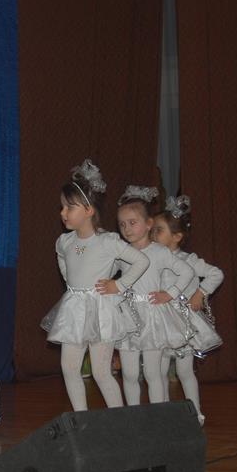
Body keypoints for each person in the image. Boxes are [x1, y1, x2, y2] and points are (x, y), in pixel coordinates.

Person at [41, 160, 150, 411]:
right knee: (69, 368)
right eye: (62, 207)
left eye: (70, 207)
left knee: (101, 372)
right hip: (75, 310)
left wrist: (119, 285)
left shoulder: (107, 241)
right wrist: (71, 283)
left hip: (101, 310)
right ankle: (82, 418)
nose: (63, 213)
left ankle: (119, 419)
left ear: (89, 210)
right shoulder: (64, 242)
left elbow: (141, 261)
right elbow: (63, 258)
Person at [114, 186, 195, 406]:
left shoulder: (159, 252)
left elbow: (186, 272)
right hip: (127, 316)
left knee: (153, 373)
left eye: (132, 222)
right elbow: (109, 273)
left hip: (152, 316)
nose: (127, 229)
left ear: (149, 223)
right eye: (122, 224)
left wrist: (170, 294)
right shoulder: (121, 252)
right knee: (129, 373)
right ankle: (133, 415)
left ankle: (158, 416)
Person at [153, 195, 224, 425]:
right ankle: (162, 413)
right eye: (153, 229)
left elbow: (216, 274)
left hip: (182, 323)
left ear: (177, 237)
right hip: (159, 323)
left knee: (184, 371)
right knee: (158, 371)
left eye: (159, 230)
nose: (153, 234)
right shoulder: (151, 258)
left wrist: (200, 293)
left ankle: (196, 414)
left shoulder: (189, 260)